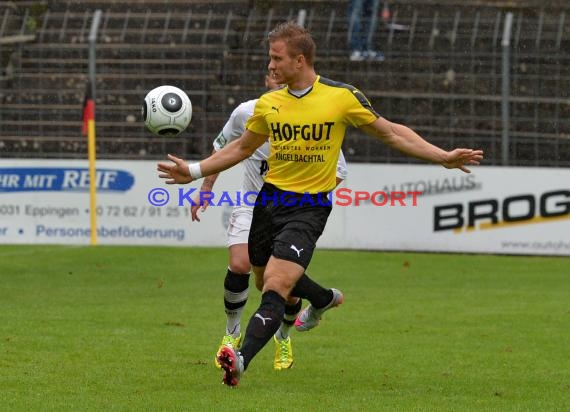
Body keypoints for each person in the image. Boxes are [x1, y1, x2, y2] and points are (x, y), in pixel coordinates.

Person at [157, 21, 483, 387]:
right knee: (266, 281)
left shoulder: (341, 97)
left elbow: (390, 131)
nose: (271, 65)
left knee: (277, 286)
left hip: (309, 208)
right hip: (268, 203)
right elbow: (242, 148)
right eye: (270, 57)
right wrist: (195, 171)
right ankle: (324, 299)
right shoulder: (269, 104)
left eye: (277, 58)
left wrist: (442, 156)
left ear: (300, 60)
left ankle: (241, 358)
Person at [190, 74, 349, 371]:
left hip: (293, 208)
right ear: (266, 79)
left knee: (279, 287)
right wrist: (206, 187)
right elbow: (223, 148)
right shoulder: (246, 113)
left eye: (283, 69)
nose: (278, 76)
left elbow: (339, 169)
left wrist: (304, 193)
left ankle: (284, 336)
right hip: (253, 206)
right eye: (272, 70)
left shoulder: (315, 117)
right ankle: (231, 332)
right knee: (240, 264)